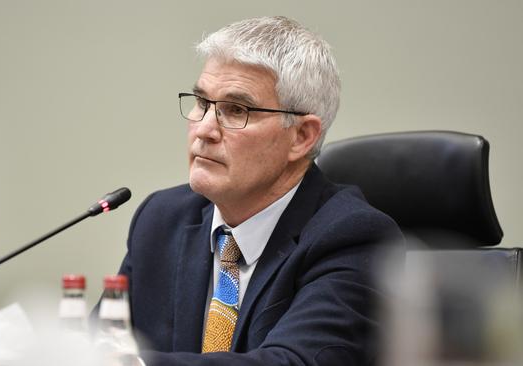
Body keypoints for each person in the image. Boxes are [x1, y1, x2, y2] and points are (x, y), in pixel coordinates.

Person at [115, 16, 401, 366]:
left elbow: (291, 361)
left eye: (236, 110)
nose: (204, 129)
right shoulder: (162, 220)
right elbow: (99, 344)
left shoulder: (351, 238)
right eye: (202, 103)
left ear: (301, 137)